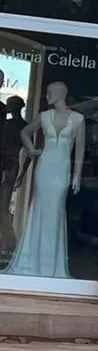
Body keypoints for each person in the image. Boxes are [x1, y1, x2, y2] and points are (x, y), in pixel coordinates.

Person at [6, 82, 84, 279]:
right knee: (40, 210)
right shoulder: (44, 116)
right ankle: (31, 261)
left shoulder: (78, 119)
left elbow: (80, 150)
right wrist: (32, 150)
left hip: (62, 171)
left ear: (60, 94)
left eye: (50, 92)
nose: (46, 95)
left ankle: (51, 265)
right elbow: (25, 133)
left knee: (56, 212)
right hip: (44, 169)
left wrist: (77, 175)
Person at [0, 94, 26, 254]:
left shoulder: (8, 125)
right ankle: (7, 242)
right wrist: (22, 173)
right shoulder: (25, 125)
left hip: (6, 165)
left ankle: (9, 242)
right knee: (4, 204)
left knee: (3, 206)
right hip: (14, 165)